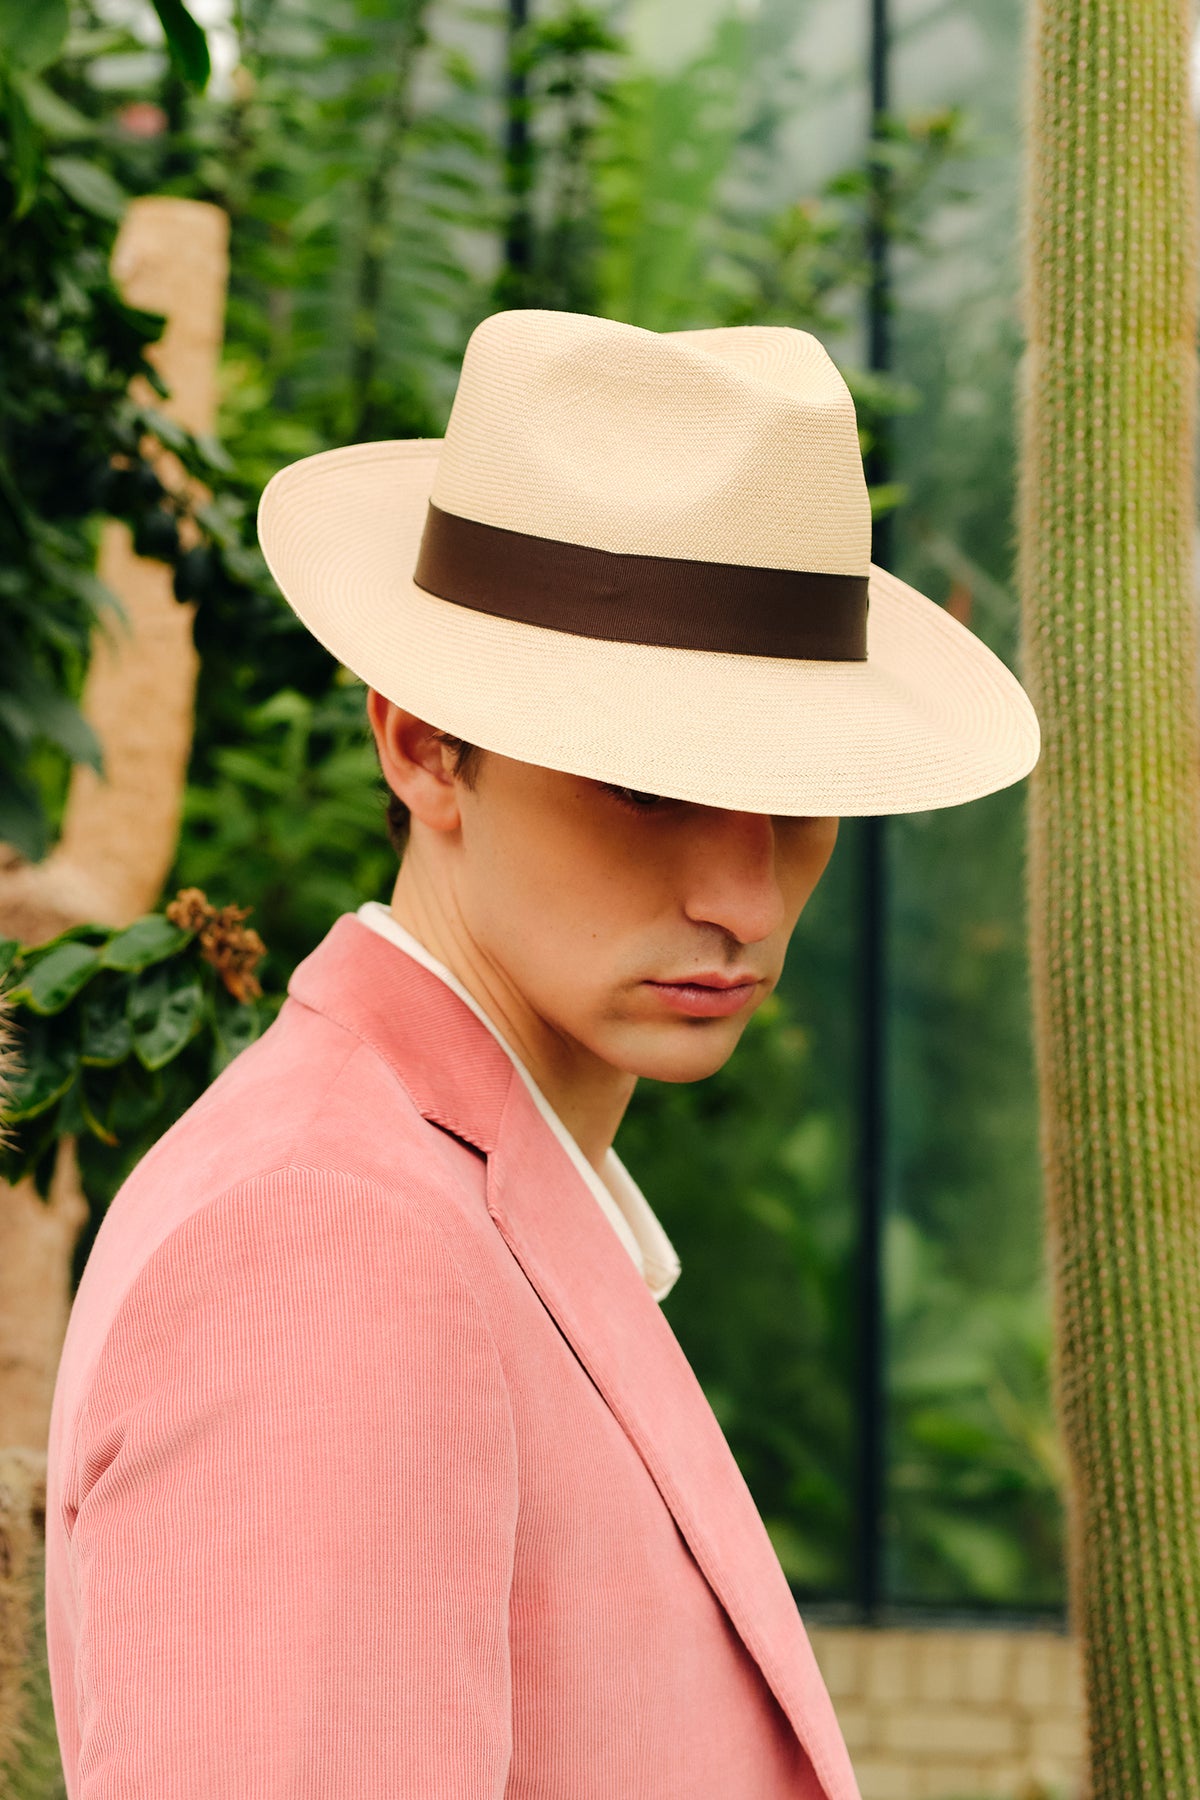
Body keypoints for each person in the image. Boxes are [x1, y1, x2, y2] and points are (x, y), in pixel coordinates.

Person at [43, 308, 1040, 1799]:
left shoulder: (456, 1198)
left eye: (801, 794)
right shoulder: (332, 1238)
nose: (747, 896)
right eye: (653, 784)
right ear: (421, 746)